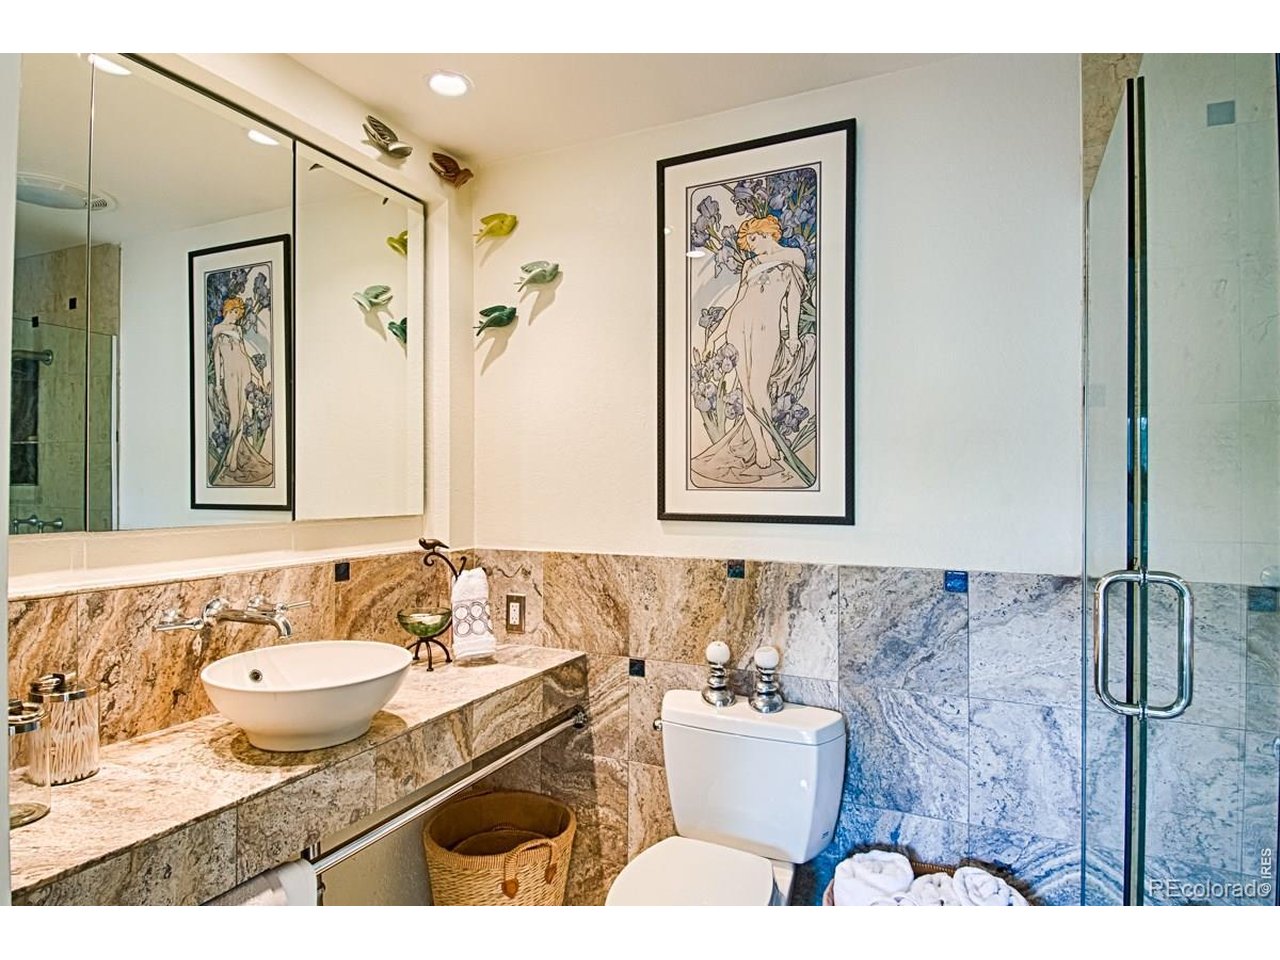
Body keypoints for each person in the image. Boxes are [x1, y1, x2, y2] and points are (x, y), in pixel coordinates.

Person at [693, 214, 810, 485]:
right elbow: (738, 302)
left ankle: (769, 445)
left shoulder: (793, 258)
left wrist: (792, 337)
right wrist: (716, 334)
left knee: (758, 386)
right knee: (746, 389)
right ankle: (763, 448)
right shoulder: (750, 265)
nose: (751, 247)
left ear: (766, 233)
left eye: (753, 240)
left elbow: (793, 301)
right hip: (739, 324)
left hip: (766, 327)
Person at [209, 296, 270, 485]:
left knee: (241, 415)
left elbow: (243, 353)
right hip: (229, 374)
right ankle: (230, 458)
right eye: (236, 312)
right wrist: (219, 383)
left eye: (239, 313)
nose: (237, 316)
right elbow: (217, 356)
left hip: (243, 370)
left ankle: (232, 459)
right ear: (229, 310)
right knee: (234, 416)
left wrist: (255, 374)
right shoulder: (217, 329)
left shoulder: (238, 329)